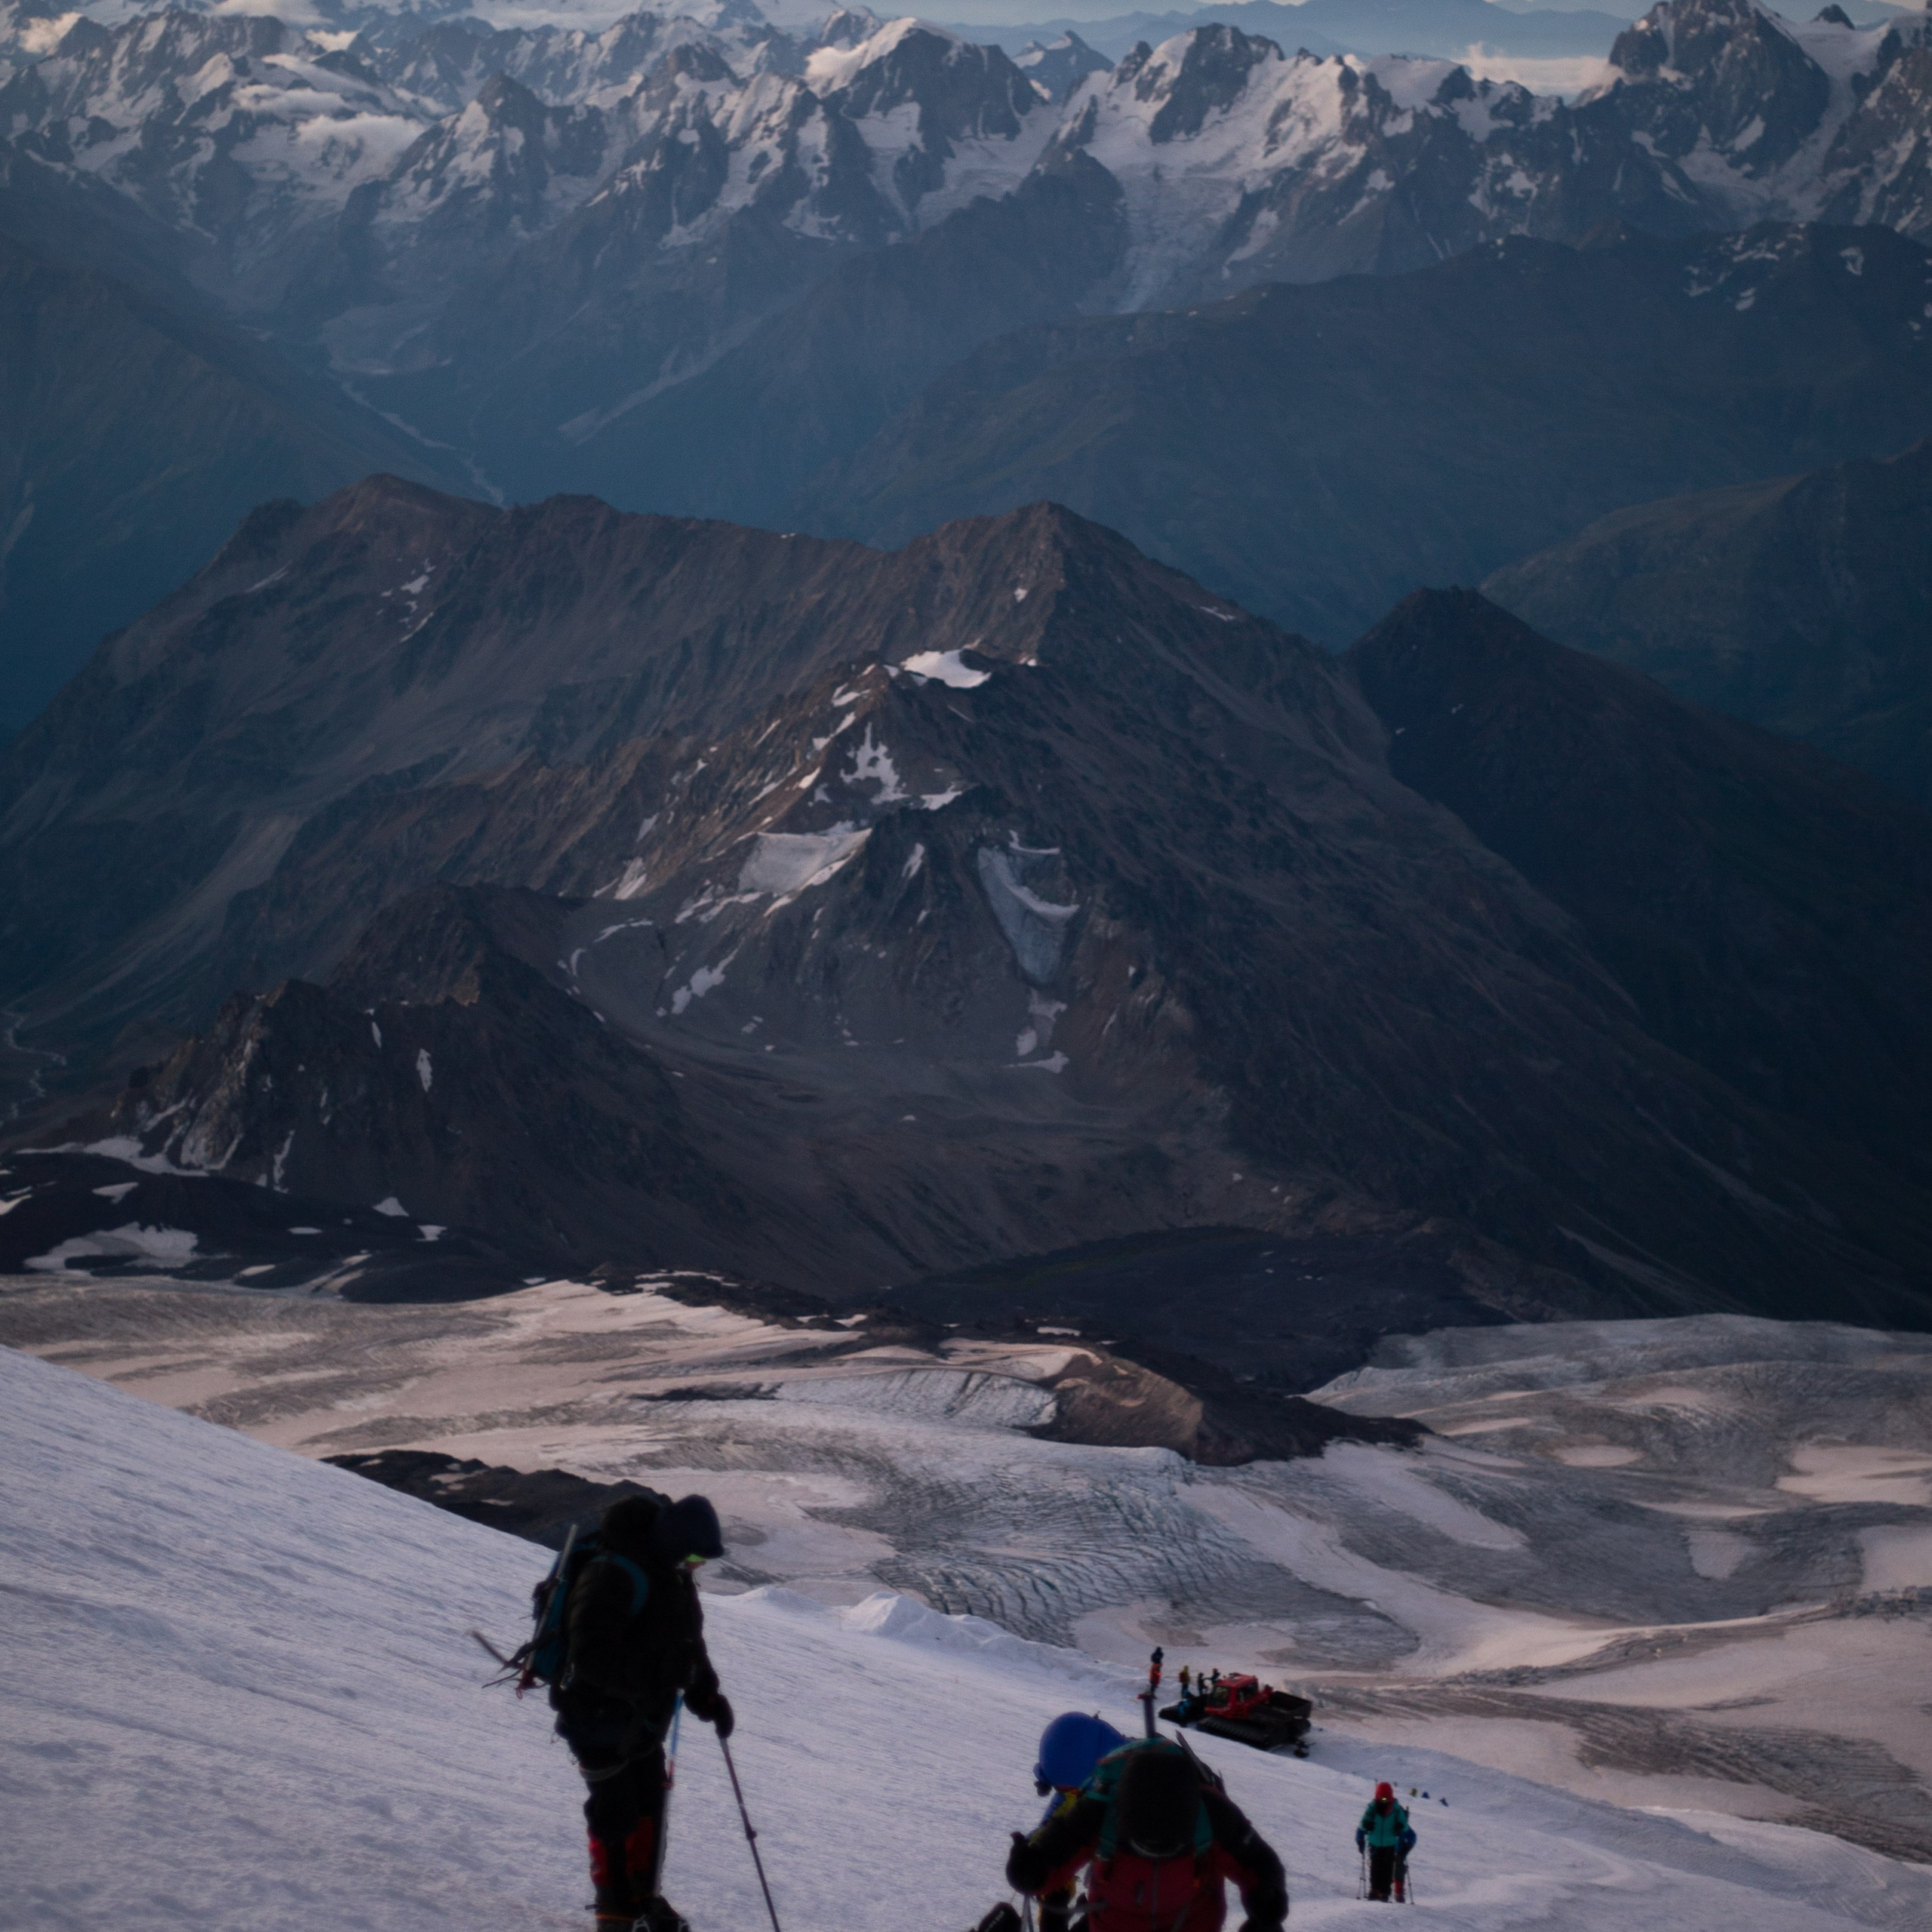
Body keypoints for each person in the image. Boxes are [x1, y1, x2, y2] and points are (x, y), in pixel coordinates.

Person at [552, 1493, 733, 1932]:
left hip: (643, 1717)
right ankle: (614, 1909)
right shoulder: (613, 1573)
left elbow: (687, 1644)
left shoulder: (672, 1576)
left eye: (702, 1561)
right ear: (673, 1541)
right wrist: (654, 1679)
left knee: (652, 1802)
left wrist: (706, 1695)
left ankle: (643, 1896)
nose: (696, 1566)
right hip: (595, 1715)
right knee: (615, 1810)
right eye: (693, 1556)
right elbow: (589, 1657)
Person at [1008, 1737, 1287, 1932]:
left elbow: (1257, 1862)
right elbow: (1061, 1844)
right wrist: (1032, 1867)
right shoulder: (1102, 1808)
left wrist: (1267, 1897)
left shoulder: (1211, 1812)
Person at [1030, 1712, 1131, 1932]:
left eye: (1072, 1790)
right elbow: (1061, 1812)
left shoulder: (1132, 1787)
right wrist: (1037, 1849)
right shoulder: (1089, 1776)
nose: (1068, 1795)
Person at [1355, 1783, 1416, 1903]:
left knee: (1387, 1868)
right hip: (1375, 1843)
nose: (1384, 1800)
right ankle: (1375, 1890)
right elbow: (1362, 1824)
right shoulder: (1372, 1808)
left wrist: (1400, 1827)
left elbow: (1404, 1825)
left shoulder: (1396, 1809)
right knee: (1376, 1867)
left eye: (1386, 1798)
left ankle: (1384, 1892)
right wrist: (1362, 1833)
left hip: (1389, 1844)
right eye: (1382, 1798)